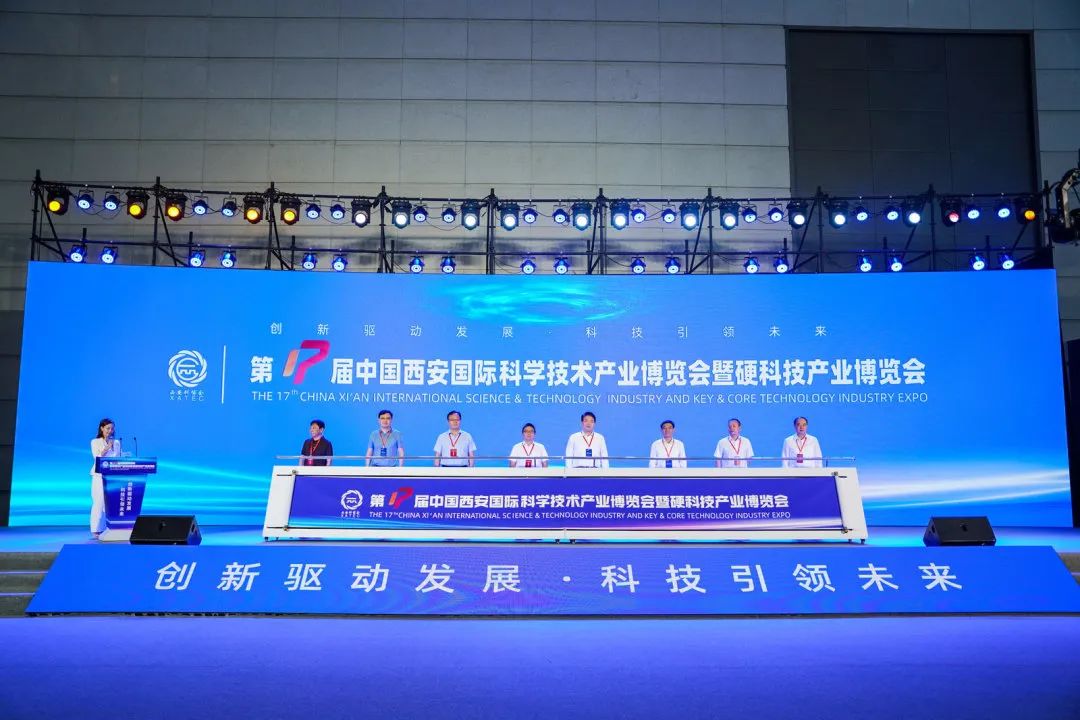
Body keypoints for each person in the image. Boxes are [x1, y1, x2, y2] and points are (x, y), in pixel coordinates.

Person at [89, 418, 122, 538]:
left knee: (111, 503)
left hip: (113, 475)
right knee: (99, 502)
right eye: (108, 428)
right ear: (102, 428)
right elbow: (97, 457)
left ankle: (109, 528)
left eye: (112, 428)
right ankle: (96, 529)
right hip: (99, 476)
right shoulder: (95, 442)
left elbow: (119, 458)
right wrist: (107, 447)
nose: (110, 431)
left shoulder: (116, 443)